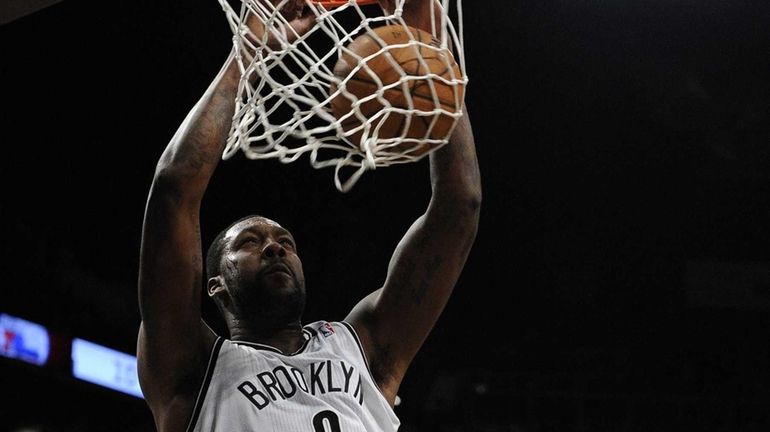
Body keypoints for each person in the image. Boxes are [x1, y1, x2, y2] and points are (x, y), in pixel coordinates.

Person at [136, 1, 481, 431]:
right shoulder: (190, 369)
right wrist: (248, 52)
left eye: (286, 243)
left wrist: (432, 67)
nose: (275, 247)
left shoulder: (365, 350)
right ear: (215, 285)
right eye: (249, 242)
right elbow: (173, 188)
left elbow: (459, 207)